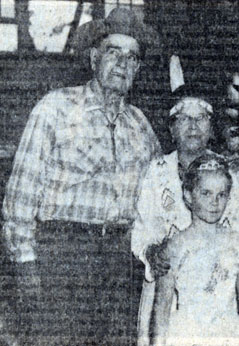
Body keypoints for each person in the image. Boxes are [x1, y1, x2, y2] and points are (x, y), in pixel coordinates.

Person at [2, 8, 160, 345]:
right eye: (113, 52)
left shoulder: (141, 126)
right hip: (63, 256)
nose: (122, 63)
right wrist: (27, 266)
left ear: (138, 70)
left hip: (121, 262)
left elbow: (163, 196)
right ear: (93, 58)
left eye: (131, 57)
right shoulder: (55, 108)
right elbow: (19, 198)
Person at [132, 83, 239, 345]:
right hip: (167, 297)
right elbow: (141, 231)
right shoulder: (156, 173)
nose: (193, 126)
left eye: (201, 119)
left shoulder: (226, 170)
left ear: (212, 128)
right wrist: (153, 253)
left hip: (218, 298)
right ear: (171, 128)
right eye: (184, 119)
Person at [152, 154, 239, 346]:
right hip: (186, 334)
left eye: (221, 194)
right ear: (188, 195)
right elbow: (162, 305)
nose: (214, 202)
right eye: (206, 193)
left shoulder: (238, 243)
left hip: (227, 334)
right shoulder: (175, 245)